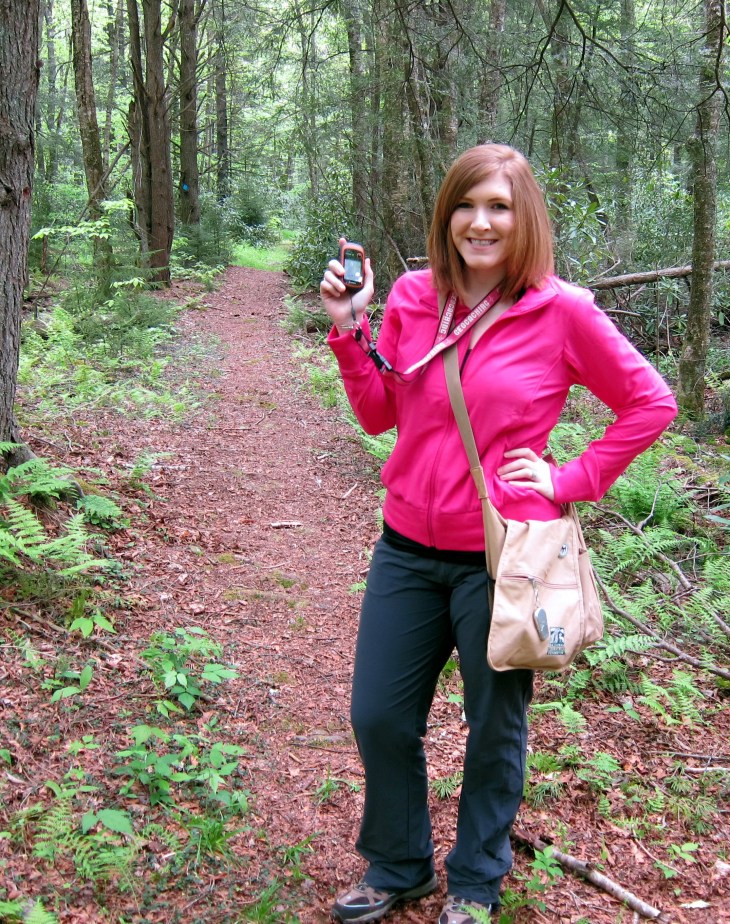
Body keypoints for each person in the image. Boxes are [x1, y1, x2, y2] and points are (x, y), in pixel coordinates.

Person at [319, 144, 677, 924]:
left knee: (493, 731)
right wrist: (351, 329)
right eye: (465, 205)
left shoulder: (563, 311)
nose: (480, 223)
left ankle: (476, 882)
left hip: (506, 559)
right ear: (446, 216)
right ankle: (400, 864)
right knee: (378, 715)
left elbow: (651, 404)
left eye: (500, 207)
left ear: (525, 221)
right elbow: (383, 415)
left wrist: (570, 479)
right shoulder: (415, 297)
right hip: (407, 549)